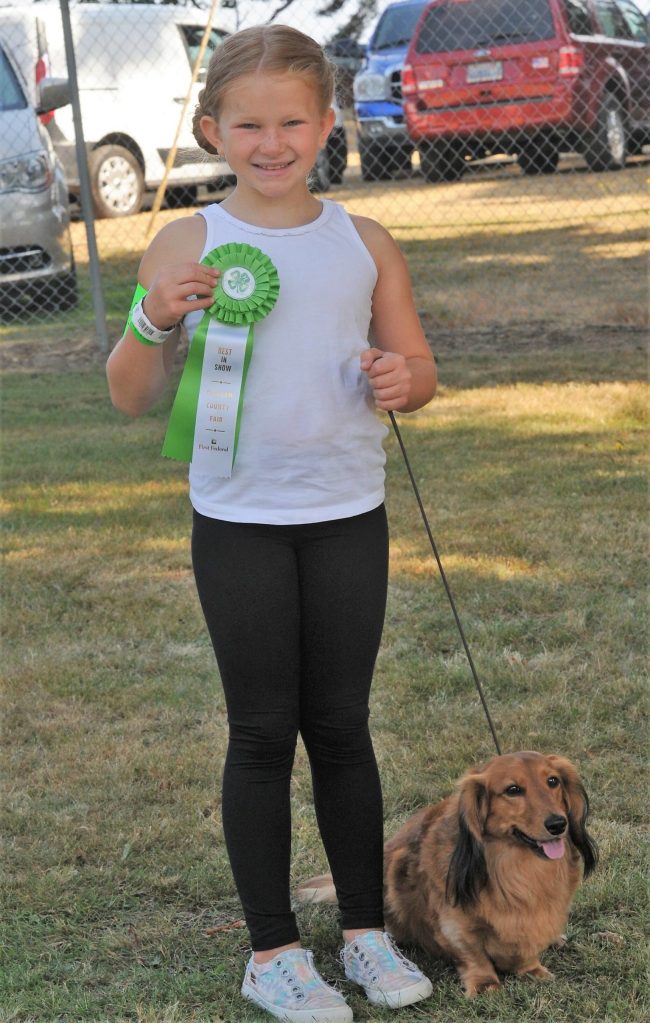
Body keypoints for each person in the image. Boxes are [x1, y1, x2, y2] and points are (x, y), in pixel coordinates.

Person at [106, 24, 437, 1023]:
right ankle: (272, 953)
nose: (270, 141)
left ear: (326, 124)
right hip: (239, 526)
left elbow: (415, 372)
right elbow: (128, 395)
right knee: (260, 733)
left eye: (291, 120)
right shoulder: (187, 240)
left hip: (348, 519)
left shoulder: (363, 240)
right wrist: (150, 319)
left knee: (340, 729)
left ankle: (365, 934)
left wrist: (400, 378)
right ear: (212, 128)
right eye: (247, 123)